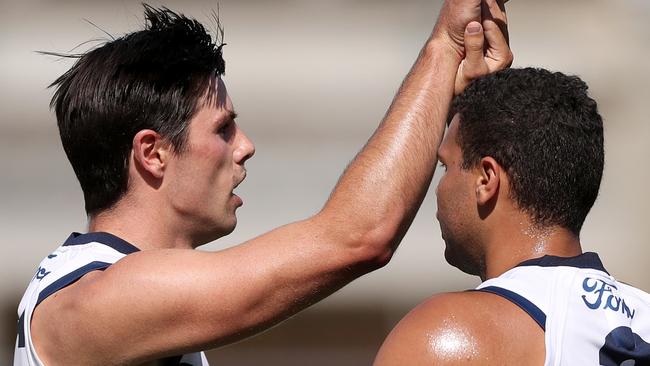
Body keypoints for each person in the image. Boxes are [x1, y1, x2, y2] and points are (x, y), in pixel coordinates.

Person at [14, 1, 512, 365]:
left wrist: (440, 92)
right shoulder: (99, 299)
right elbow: (358, 236)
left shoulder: (112, 286)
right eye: (223, 128)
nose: (245, 145)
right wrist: (442, 50)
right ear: (153, 153)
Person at [373, 67, 650, 365]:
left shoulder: (448, 336)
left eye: (446, 167)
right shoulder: (642, 314)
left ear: (486, 179)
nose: (439, 189)